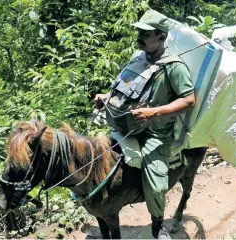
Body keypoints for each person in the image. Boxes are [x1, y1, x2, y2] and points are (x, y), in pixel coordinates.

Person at [94, 9, 196, 239]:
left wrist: (154, 113)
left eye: (146, 34)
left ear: (161, 37)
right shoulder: (137, 58)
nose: (139, 37)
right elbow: (123, 88)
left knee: (156, 179)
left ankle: (157, 223)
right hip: (125, 124)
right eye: (139, 32)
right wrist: (104, 97)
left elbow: (189, 100)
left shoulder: (174, 66)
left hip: (155, 133)